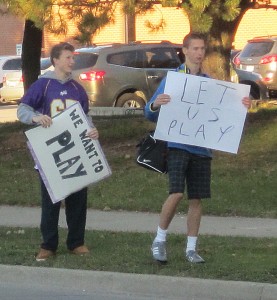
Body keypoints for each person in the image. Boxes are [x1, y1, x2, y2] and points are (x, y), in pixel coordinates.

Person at [145, 32, 251, 264]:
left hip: (202, 148)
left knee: (196, 198)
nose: (199, 53)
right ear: (185, 51)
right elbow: (149, 112)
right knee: (176, 192)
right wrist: (155, 104)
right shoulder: (173, 78)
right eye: (195, 48)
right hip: (178, 145)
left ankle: (191, 248)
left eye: (202, 48)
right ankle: (159, 239)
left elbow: (226, 112)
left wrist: (242, 105)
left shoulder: (210, 81)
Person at [17, 42, 99, 262]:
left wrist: (91, 130)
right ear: (56, 60)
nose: (72, 61)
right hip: (51, 154)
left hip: (76, 151)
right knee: (51, 201)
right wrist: (35, 118)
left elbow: (85, 117)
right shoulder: (42, 85)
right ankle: (48, 245)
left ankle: (76, 242)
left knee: (78, 200)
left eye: (73, 57)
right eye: (68, 57)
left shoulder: (77, 88)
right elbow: (22, 109)